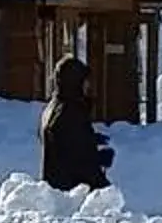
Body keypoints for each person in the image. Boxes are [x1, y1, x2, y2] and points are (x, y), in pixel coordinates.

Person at [39, 55, 112, 191]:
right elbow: (73, 156)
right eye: (85, 81)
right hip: (73, 189)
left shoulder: (54, 106)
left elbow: (68, 140)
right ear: (75, 83)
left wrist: (90, 139)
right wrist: (98, 158)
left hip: (58, 185)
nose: (88, 86)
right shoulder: (71, 110)